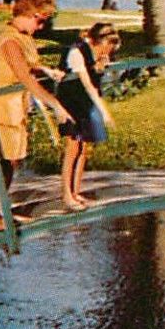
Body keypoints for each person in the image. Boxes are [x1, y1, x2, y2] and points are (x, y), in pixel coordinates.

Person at [0, 0, 71, 232]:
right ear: (31, 14)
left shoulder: (23, 37)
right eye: (41, 21)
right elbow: (24, 76)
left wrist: (46, 70)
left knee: (10, 160)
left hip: (13, 105)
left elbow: (29, 64)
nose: (41, 27)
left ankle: (0, 210)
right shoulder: (9, 40)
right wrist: (55, 104)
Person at [56, 22, 120, 211]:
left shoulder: (91, 54)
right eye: (107, 48)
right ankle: (67, 195)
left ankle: (75, 192)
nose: (106, 53)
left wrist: (99, 68)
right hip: (71, 104)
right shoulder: (76, 52)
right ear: (100, 41)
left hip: (83, 104)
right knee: (72, 148)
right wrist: (104, 112)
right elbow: (87, 85)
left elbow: (93, 80)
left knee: (83, 149)